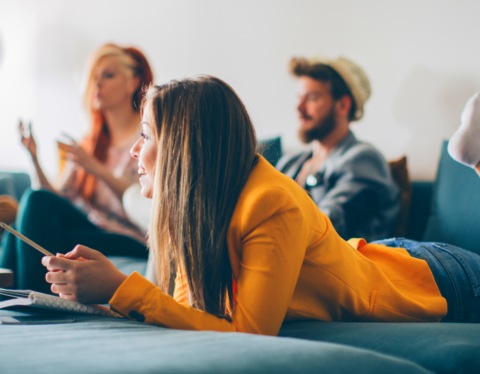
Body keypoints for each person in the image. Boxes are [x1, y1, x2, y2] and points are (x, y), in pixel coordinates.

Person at [41, 76, 480, 336]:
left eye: (147, 134)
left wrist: (121, 288)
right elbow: (190, 313)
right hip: (385, 255)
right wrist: (106, 294)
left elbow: (251, 335)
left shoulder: (270, 202)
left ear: (183, 146)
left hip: (438, 279)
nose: (135, 151)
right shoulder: (195, 211)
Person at [0, 44, 153, 293]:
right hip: (91, 228)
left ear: (133, 82)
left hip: (129, 237)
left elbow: (142, 203)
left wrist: (95, 168)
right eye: (94, 78)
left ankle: (37, 302)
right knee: (19, 227)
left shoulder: (146, 138)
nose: (97, 84)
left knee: (35, 211)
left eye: (108, 75)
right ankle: (8, 304)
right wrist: (34, 159)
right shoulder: (90, 143)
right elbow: (53, 202)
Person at [276, 56, 400, 242]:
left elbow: (325, 229)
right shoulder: (290, 162)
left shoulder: (364, 159)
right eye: (298, 98)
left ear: (343, 105)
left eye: (311, 98)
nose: (299, 107)